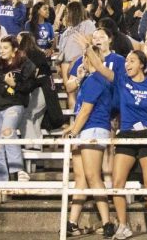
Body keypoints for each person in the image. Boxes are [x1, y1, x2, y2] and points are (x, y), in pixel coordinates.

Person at [87, 48, 147, 240]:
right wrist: (88, 48)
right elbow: (99, 66)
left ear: (141, 64)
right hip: (126, 135)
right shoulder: (122, 81)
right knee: (117, 184)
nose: (127, 65)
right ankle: (123, 226)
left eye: (132, 61)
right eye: (126, 62)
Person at [62, 46, 115, 238]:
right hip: (86, 129)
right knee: (81, 178)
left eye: (86, 56)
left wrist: (73, 131)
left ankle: (107, 222)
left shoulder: (96, 79)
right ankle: (72, 222)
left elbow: (86, 111)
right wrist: (72, 129)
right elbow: (80, 108)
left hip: (93, 129)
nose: (84, 59)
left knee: (93, 176)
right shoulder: (89, 80)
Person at [0, 36, 37, 189]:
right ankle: (2, 183)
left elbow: (29, 86)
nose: (2, 51)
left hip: (14, 103)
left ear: (14, 50)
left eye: (5, 48)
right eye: (0, 48)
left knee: (7, 132)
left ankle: (18, 170)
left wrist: (14, 85)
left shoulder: (26, 64)